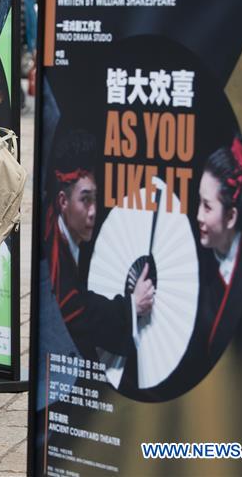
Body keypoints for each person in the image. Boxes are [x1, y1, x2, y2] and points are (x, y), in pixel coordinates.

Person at [40, 129, 154, 390]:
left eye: (95, 200)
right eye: (85, 200)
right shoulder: (54, 247)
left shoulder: (64, 235)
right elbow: (77, 311)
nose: (93, 212)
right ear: (63, 201)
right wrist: (131, 306)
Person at [193, 138, 242, 364]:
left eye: (207, 206)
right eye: (199, 202)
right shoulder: (196, 256)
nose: (198, 215)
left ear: (231, 216)